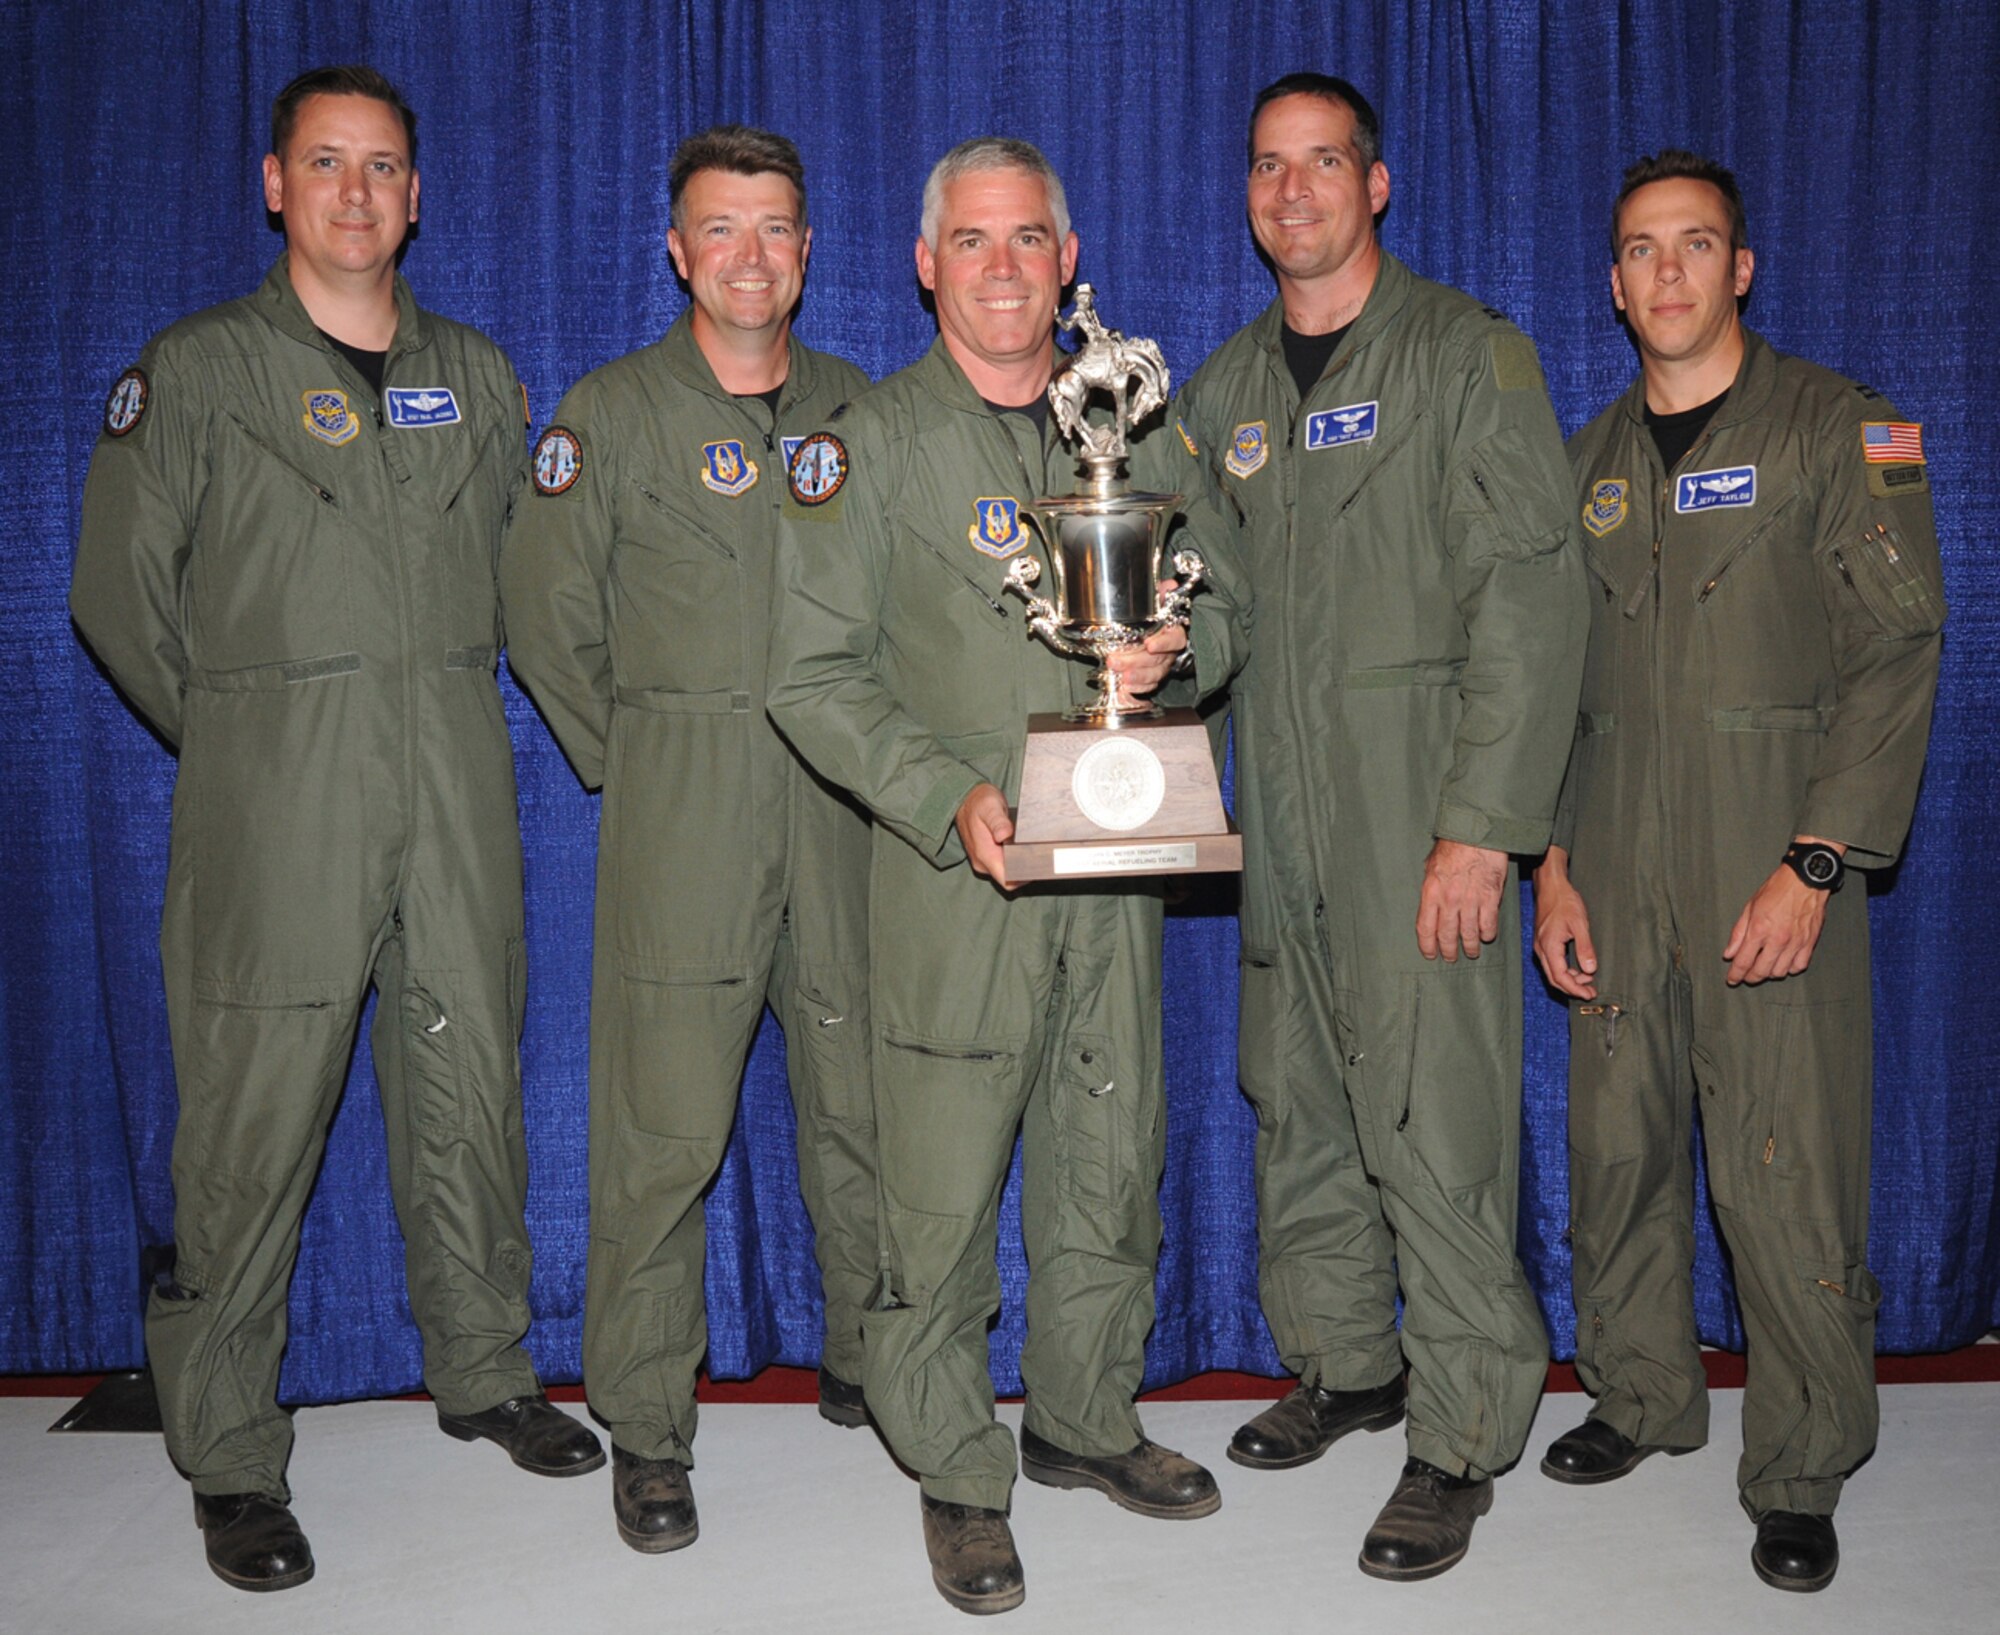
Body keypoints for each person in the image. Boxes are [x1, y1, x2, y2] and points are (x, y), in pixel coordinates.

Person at [69, 64, 600, 1594]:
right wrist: (248, 732)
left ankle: (486, 1369)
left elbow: (531, 573)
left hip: (450, 777)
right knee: (248, 1117)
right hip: (276, 792)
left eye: (384, 168)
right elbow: (117, 596)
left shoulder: (478, 374)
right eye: (328, 163)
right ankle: (230, 1450)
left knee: (468, 1080)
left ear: (417, 197)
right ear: (274, 183)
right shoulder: (198, 368)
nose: (357, 192)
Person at [766, 136, 1249, 1616]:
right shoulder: (866, 444)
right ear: (926, 265)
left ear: (1067, 258)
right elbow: (811, 673)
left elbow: (1221, 610)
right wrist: (945, 796)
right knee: (941, 1190)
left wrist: (1179, 660)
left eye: (1026, 239)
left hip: (1112, 866)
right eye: (970, 242)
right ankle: (960, 1475)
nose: (999, 267)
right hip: (955, 882)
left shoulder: (1128, 427)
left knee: (1111, 1157)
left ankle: (1085, 1421)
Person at [1175, 73, 1587, 1580]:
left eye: (1323, 162)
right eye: (1269, 166)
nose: (1294, 190)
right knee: (1302, 1110)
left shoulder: (1464, 355)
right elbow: (1211, 621)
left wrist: (1485, 829)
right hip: (1279, 832)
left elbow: (1534, 605)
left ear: (1379, 181)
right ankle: (1351, 1363)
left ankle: (1466, 1429)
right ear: (1248, 194)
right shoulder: (1219, 395)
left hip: (1420, 813)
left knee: (1435, 1119)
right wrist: (1151, 655)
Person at [1531, 151, 1944, 1594]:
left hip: (1771, 857)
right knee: (1620, 1146)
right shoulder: (1585, 467)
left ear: (1742, 268)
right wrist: (1557, 867)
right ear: (1614, 278)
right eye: (1641, 249)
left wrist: (1817, 858)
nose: (1668, 274)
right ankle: (1641, 1395)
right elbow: (1559, 697)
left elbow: (1899, 652)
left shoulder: (1840, 428)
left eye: (1695, 245)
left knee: (1784, 1163)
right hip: (1618, 857)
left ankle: (1805, 1460)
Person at [499, 125, 877, 1555]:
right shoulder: (608, 414)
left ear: (806, 247)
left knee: (864, 1102)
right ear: (677, 249)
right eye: (722, 229)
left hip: (845, 814)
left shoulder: (863, 406)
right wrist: (646, 759)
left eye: (776, 227)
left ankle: (871, 1357)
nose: (750, 256)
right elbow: (546, 617)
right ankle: (649, 1428)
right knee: (660, 1136)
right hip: (686, 813)